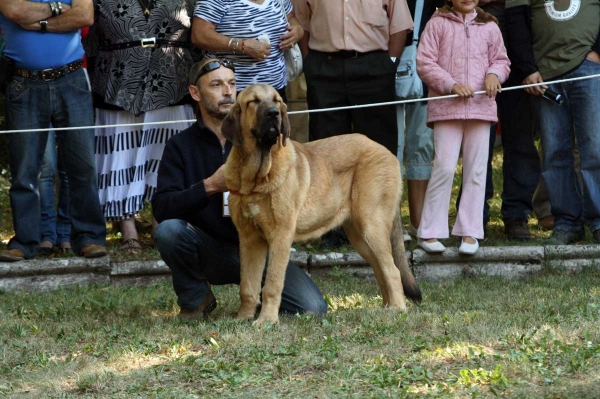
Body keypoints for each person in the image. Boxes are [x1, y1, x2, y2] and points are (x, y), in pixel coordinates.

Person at [152, 59, 328, 320]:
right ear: (195, 93)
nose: (227, 91)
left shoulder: (268, 146)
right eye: (216, 84)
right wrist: (210, 186)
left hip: (261, 251)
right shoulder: (180, 146)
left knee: (313, 309)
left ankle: (256, 299)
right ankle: (197, 299)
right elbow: (162, 207)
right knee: (169, 231)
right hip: (211, 250)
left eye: (232, 84)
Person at [83, 0, 200, 254]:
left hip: (172, 83)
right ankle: (128, 230)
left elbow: (198, 38)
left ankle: (164, 226)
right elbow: (88, 43)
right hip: (116, 84)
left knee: (168, 158)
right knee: (120, 158)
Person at [0, 0, 107, 262]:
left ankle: (89, 238)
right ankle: (25, 242)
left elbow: (84, 15)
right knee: (25, 170)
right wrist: (59, 9)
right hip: (24, 82)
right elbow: (13, 11)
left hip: (72, 79)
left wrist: (40, 22)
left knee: (82, 165)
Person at [415, 0, 510, 255]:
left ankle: (470, 232)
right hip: (447, 109)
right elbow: (424, 62)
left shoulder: (490, 26)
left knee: (477, 170)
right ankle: (429, 232)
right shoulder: (436, 23)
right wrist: (451, 84)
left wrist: (494, 75)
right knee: (444, 167)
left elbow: (502, 61)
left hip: (481, 108)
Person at [505, 0, 600, 245]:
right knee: (554, 152)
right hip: (545, 74)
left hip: (589, 69)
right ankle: (567, 223)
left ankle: (599, 221)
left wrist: (598, 52)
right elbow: (515, 20)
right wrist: (527, 67)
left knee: (595, 148)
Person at [294, 0, 413, 156]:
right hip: (325, 72)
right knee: (324, 149)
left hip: (374, 71)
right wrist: (309, 62)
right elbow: (301, 23)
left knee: (378, 149)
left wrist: (390, 64)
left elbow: (400, 25)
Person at [192, 0, 304, 102]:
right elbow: (199, 35)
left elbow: (290, 16)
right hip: (233, 93)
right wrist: (241, 46)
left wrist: (298, 30)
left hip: (275, 89)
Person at [396, 0, 442, 239]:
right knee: (391, 145)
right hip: (382, 68)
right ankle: (392, 225)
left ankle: (419, 222)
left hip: (425, 69)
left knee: (422, 144)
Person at [39, 131, 72, 255]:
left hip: (71, 111)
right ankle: (46, 234)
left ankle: (66, 234)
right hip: (39, 112)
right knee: (45, 168)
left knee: (70, 169)